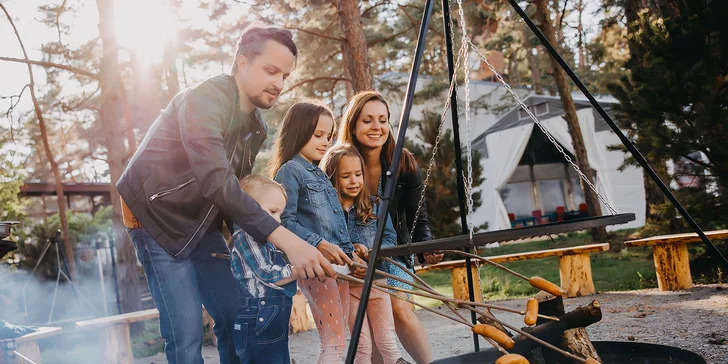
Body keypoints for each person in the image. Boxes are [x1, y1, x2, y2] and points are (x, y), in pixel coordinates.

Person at [116, 24, 334, 364]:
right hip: (153, 215)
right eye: (271, 70)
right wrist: (290, 243)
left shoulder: (256, 126)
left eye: (285, 76)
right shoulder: (205, 98)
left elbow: (237, 193)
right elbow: (218, 182)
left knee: (236, 312)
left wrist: (312, 244)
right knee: (186, 331)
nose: (278, 83)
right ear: (242, 62)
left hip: (201, 220)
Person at [338, 90, 445, 364]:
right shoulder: (339, 164)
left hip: (393, 252)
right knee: (370, 325)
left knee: (397, 308)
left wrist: (425, 249)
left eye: (383, 120)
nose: (377, 127)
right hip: (356, 256)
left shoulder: (404, 164)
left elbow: (417, 215)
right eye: (368, 120)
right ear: (352, 125)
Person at [270, 100, 364, 363]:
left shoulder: (319, 173)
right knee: (333, 342)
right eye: (318, 135)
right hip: (316, 266)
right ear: (299, 131)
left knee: (340, 337)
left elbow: (336, 224)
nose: (325, 142)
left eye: (329, 135)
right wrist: (320, 244)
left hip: (338, 265)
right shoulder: (290, 171)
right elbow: (284, 222)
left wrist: (350, 254)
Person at [320, 144, 408, 364]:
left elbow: (389, 238)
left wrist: (371, 253)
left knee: (386, 338)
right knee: (363, 345)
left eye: (358, 174)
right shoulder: (327, 213)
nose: (354, 181)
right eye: (346, 176)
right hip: (348, 287)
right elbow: (327, 245)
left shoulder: (375, 205)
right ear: (332, 178)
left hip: (377, 281)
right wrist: (351, 251)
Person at [229, 175, 298, 363]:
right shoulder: (245, 238)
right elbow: (266, 274)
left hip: (271, 316)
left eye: (280, 215)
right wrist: (296, 270)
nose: (277, 220)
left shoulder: (264, 242)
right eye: (273, 211)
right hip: (257, 316)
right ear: (247, 209)